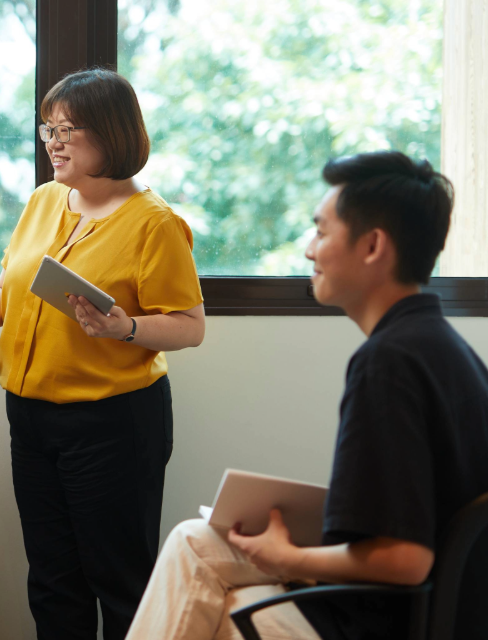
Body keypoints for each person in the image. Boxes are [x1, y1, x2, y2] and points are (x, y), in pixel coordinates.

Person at [124, 151, 488, 640]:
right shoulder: (447, 351)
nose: (308, 250)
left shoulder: (388, 363)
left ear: (373, 246)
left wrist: (288, 557)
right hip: (430, 616)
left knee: (200, 558)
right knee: (226, 589)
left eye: (321, 231)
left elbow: (406, 558)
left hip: (383, 621)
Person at [0, 68, 206, 640]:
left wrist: (125, 328)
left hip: (113, 423)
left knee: (118, 580)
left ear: (114, 134)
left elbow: (190, 327)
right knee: (51, 579)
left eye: (69, 129)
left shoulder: (155, 223)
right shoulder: (45, 200)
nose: (54, 142)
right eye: (48, 129)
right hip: (31, 416)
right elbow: (7, 289)